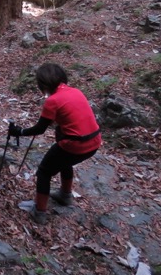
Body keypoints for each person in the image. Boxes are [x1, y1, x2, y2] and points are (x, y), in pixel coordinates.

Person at [8, 63, 102, 224]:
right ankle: (65, 195)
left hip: (75, 144)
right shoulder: (76, 91)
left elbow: (40, 129)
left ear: (42, 84)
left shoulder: (53, 100)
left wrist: (20, 131)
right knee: (64, 160)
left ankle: (40, 212)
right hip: (94, 141)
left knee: (44, 171)